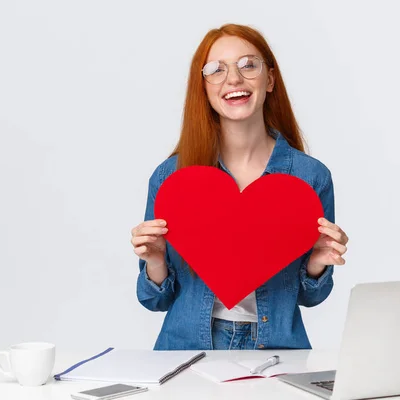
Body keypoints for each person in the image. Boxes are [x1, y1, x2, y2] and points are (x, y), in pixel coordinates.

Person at [130, 23, 348, 351]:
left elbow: (311, 296)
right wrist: (157, 261)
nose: (233, 79)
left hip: (276, 352)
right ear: (202, 88)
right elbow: (153, 300)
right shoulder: (171, 179)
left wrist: (317, 262)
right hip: (186, 351)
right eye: (215, 70)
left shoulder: (310, 178)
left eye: (248, 65)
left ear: (270, 79)